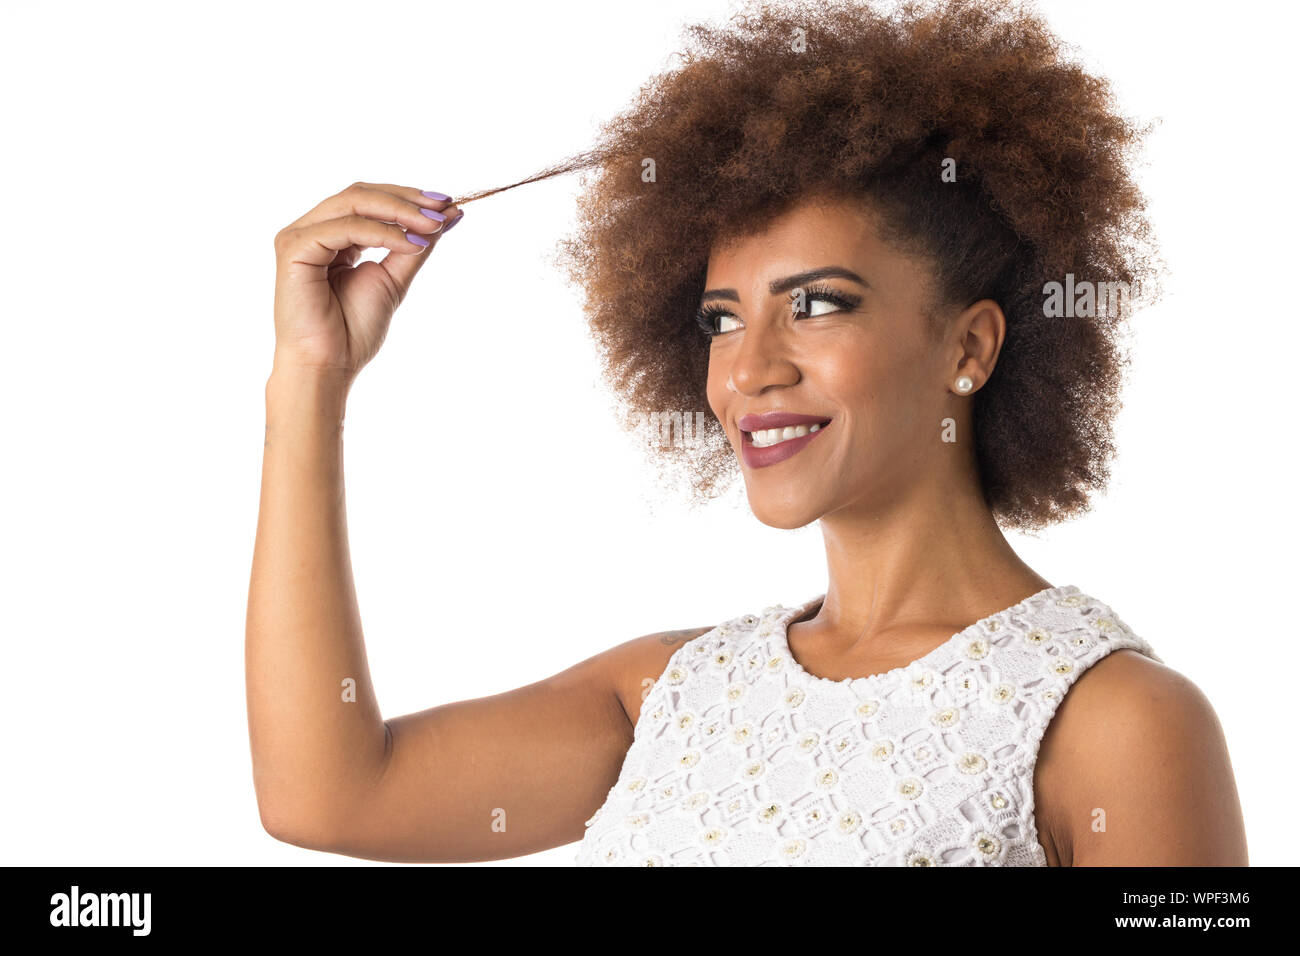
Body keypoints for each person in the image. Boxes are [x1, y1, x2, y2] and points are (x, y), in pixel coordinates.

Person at [245, 0, 1247, 865]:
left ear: (968, 345)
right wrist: (310, 379)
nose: (749, 368)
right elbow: (327, 790)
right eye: (721, 318)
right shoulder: (668, 693)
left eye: (816, 305)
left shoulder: (1115, 723)